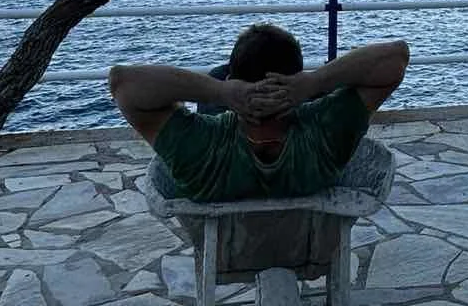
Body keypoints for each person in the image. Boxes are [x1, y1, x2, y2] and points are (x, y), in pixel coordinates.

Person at [108, 24, 409, 202]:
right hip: (303, 246)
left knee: (214, 74)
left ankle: (224, 77)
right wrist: (315, 82)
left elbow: (123, 81)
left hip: (230, 251)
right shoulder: (327, 133)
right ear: (295, 77)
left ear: (235, 82)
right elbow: (397, 56)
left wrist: (220, 92)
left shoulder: (200, 147)